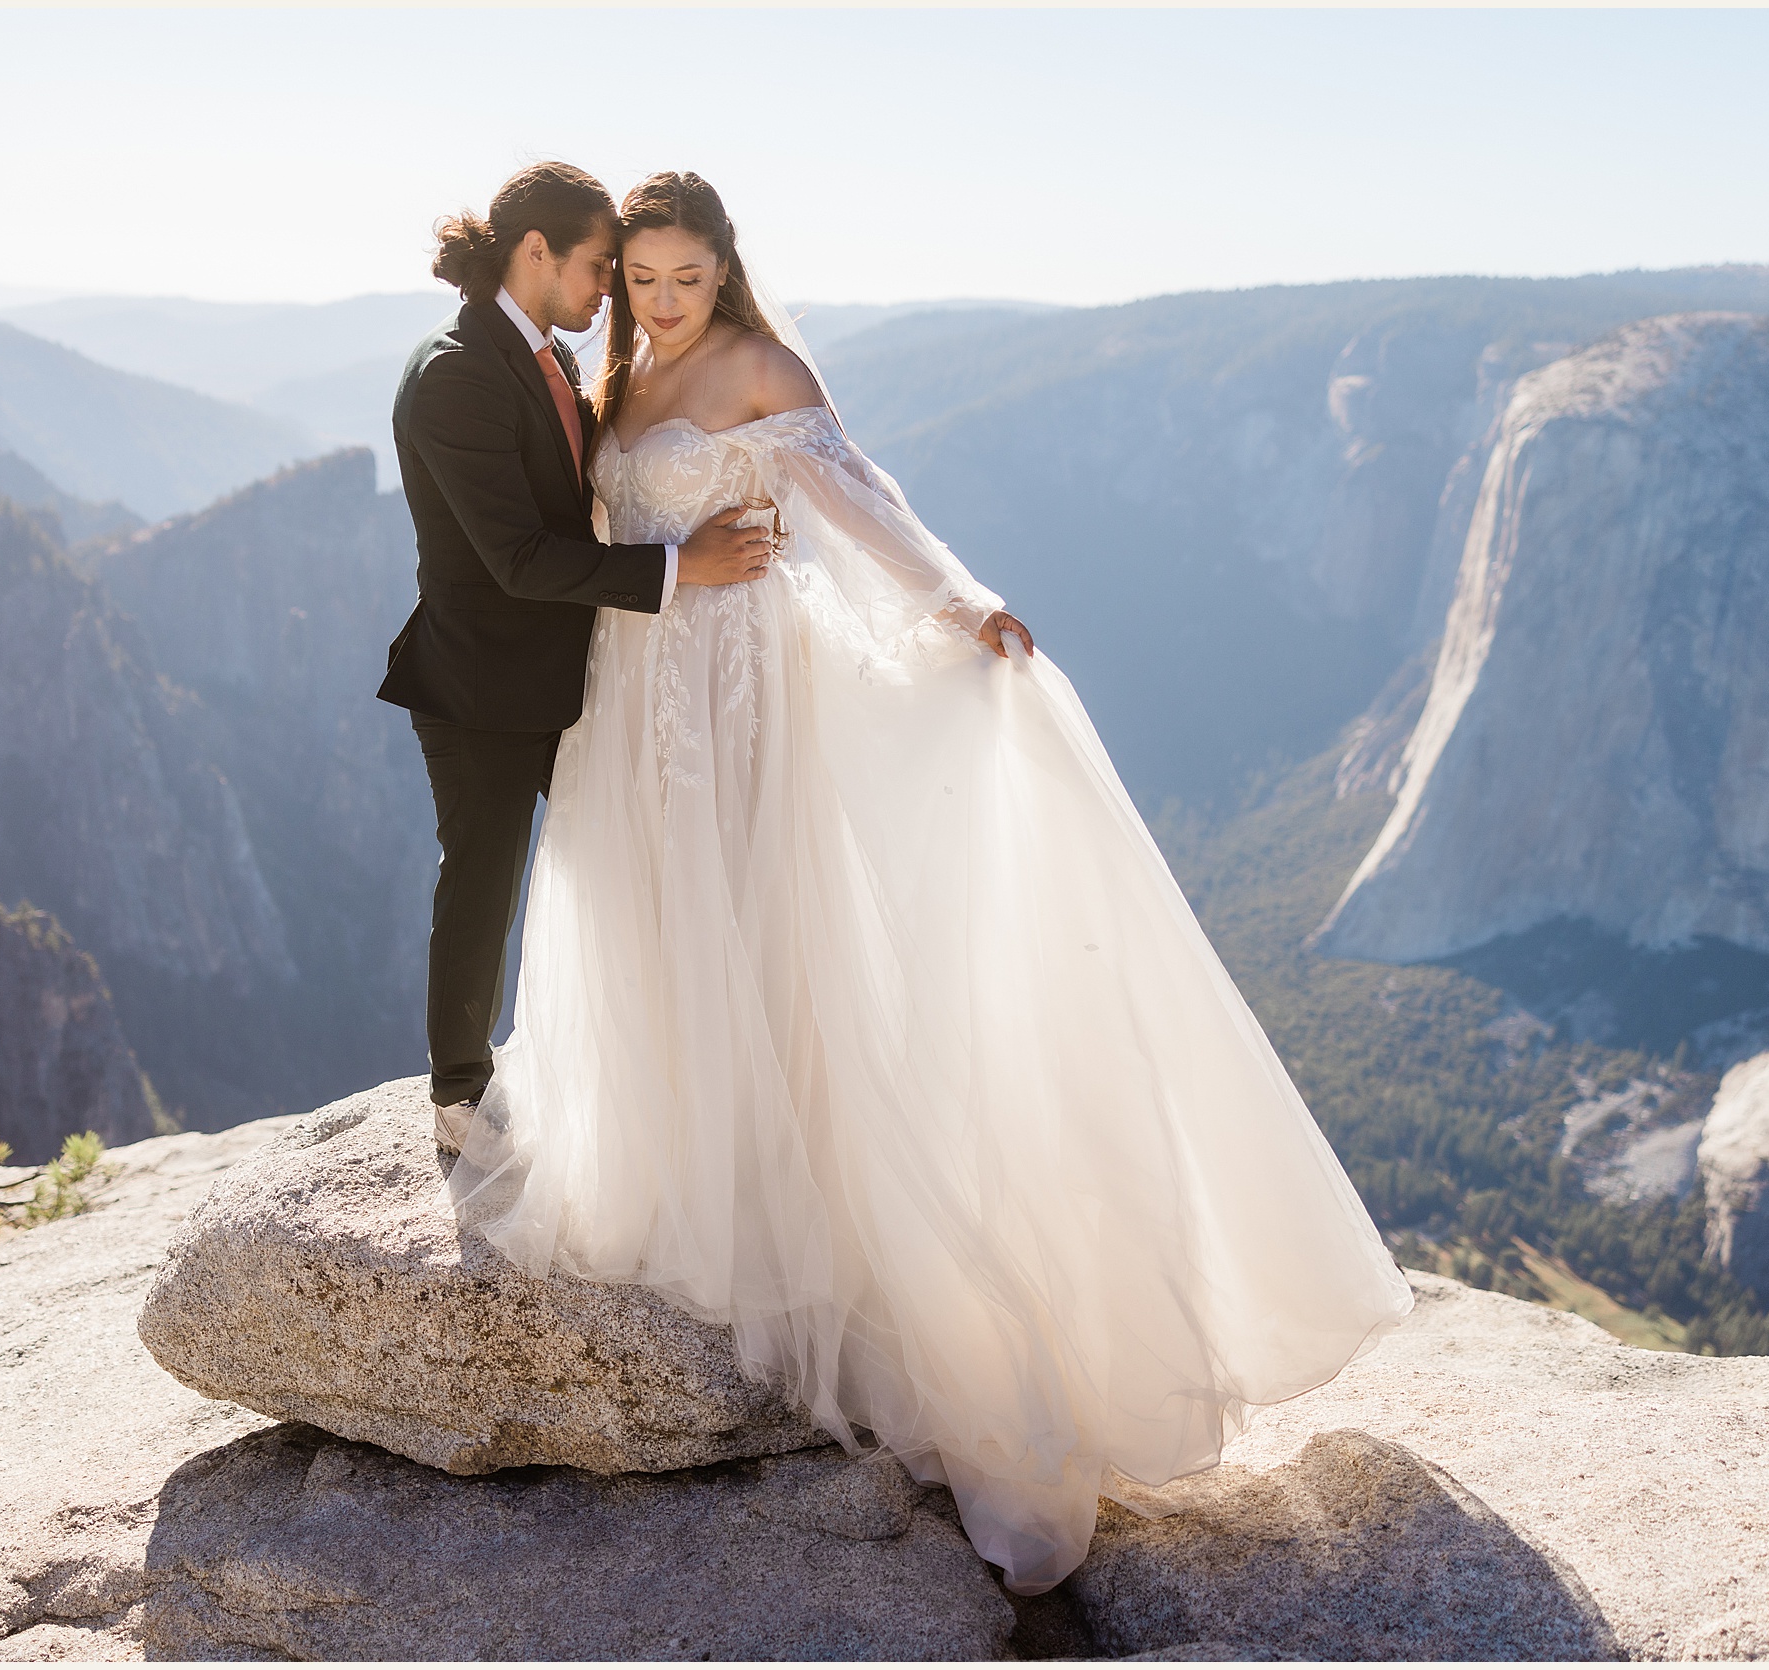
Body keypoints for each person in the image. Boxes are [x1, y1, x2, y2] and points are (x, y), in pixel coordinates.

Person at [445, 170, 1416, 1596]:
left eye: (685, 278)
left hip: (738, 693)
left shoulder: (762, 364)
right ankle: (686, 1181)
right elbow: (593, 537)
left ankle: (813, 1238)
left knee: (760, 935)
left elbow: (856, 492)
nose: (658, 302)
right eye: (639, 278)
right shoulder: (619, 374)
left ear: (726, 270)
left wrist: (955, 597)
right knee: (656, 930)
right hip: (635, 694)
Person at [379, 161, 773, 1137]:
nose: (611, 292)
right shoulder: (457, 372)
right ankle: (459, 1097)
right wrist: (682, 567)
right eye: (601, 267)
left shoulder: (544, 354)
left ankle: (658, 1073)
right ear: (534, 252)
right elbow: (516, 556)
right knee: (482, 878)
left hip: (576, 672)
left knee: (631, 859)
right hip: (481, 683)